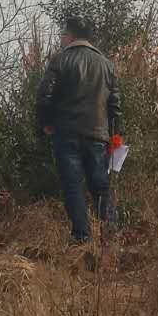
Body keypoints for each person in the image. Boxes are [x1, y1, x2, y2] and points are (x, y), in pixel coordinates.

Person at [37, 15, 121, 245]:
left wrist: (46, 123)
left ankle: (82, 237)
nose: (61, 38)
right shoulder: (107, 65)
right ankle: (110, 234)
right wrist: (115, 134)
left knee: (73, 184)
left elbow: (44, 96)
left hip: (66, 133)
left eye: (63, 34)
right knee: (100, 184)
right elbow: (115, 106)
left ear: (71, 36)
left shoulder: (60, 60)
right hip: (98, 135)